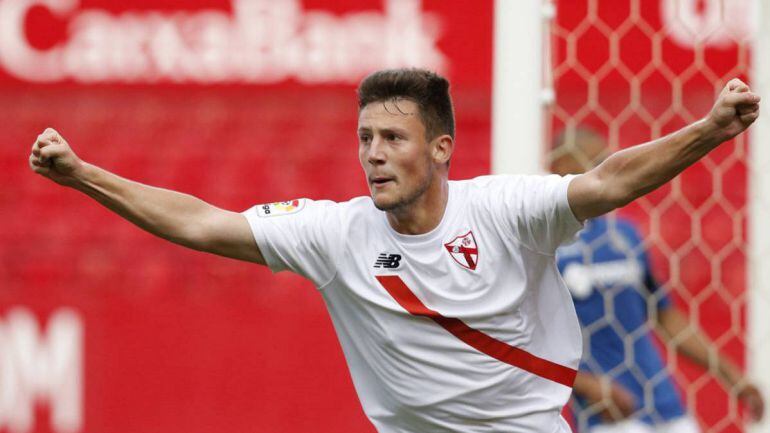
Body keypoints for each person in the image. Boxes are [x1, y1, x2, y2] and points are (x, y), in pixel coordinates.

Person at [28, 69, 760, 433]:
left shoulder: (505, 209)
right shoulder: (334, 231)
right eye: (365, 139)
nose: (373, 155)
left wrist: (710, 128)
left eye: (393, 139)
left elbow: (607, 181)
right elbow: (200, 223)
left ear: (441, 148)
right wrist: (83, 174)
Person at [552, 129, 765, 433]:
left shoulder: (624, 235)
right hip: (609, 414)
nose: (601, 168)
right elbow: (526, 340)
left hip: (664, 405)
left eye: (604, 160)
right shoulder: (550, 244)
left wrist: (732, 376)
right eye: (592, 160)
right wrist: (587, 386)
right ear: (557, 168)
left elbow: (665, 316)